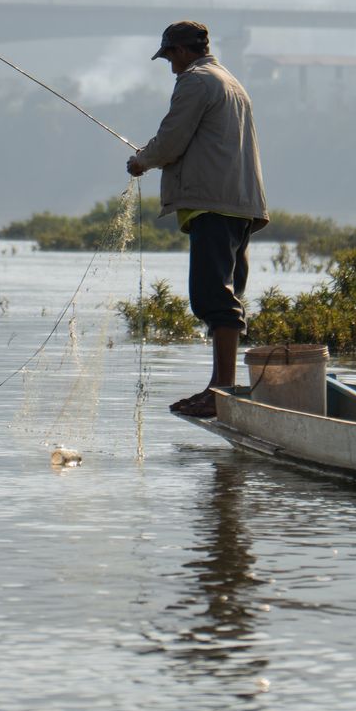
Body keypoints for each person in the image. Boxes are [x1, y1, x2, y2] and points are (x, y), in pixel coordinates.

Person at [124, 20, 269, 418]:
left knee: (213, 298)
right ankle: (218, 387)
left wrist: (141, 161)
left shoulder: (195, 81)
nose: (170, 65)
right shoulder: (231, 81)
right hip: (240, 205)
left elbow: (171, 139)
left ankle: (221, 389)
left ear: (183, 51)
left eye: (170, 56)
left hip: (214, 204)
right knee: (226, 295)